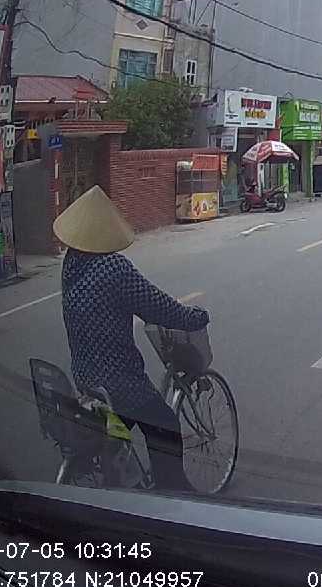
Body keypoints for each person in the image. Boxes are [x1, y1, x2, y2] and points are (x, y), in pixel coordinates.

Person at [54, 186, 209, 492]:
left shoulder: (71, 264)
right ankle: (173, 493)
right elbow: (158, 307)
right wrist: (195, 317)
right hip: (119, 382)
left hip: (86, 377)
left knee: (118, 436)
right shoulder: (113, 268)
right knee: (164, 424)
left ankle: (123, 478)